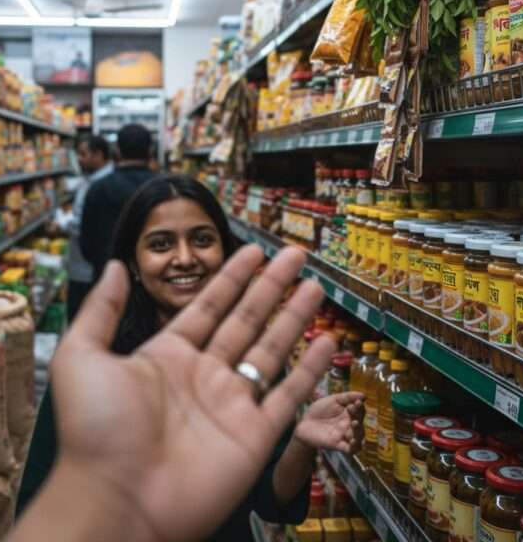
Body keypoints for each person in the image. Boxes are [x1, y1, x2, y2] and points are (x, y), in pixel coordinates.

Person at [19, 176, 363, 540]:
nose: (184, 259)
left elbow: (270, 500)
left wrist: (302, 442)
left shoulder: (251, 360)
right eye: (160, 244)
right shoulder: (97, 364)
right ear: (133, 263)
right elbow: (35, 499)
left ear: (225, 252)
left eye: (202, 239)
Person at [79, 123, 155, 278]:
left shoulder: (98, 187)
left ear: (117, 151)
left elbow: (86, 243)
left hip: (107, 275)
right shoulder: (165, 186)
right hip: (153, 276)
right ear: (150, 151)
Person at [63, 134, 112, 321]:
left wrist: (62, 225)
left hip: (88, 267)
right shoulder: (91, 180)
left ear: (98, 155)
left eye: (83, 154)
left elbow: (84, 225)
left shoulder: (101, 185)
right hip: (83, 265)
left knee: (83, 317)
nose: (79, 160)